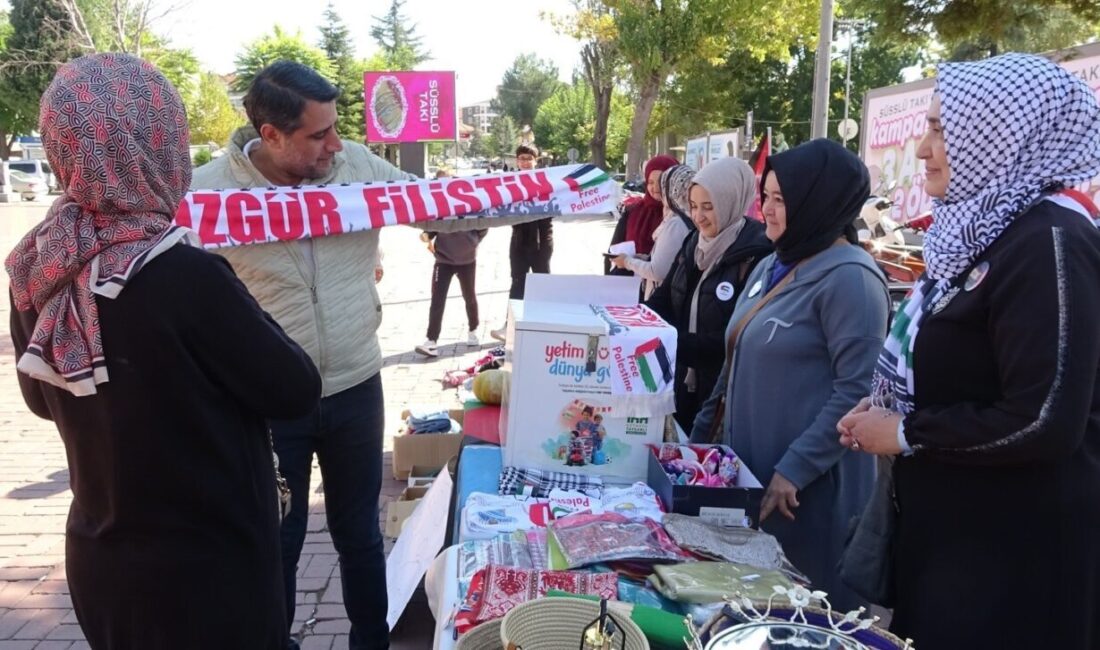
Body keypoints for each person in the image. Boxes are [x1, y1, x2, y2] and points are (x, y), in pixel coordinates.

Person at [5, 53, 321, 649]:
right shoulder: (183, 272)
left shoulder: (38, 265)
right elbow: (294, 387)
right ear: (158, 143)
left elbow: (44, 401)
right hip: (208, 575)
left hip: (104, 565)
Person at [837, 53, 1100, 649]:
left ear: (1004, 137)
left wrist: (906, 432)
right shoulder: (987, 231)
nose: (924, 149)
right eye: (925, 127)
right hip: (959, 546)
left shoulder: (1050, 242)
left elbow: (1044, 419)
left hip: (1015, 568)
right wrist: (885, 411)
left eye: (941, 130)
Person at [192, 60, 413, 650]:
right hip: (268, 404)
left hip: (356, 386)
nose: (335, 144)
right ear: (271, 135)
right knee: (277, 543)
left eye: (335, 128)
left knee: (361, 537)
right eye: (318, 134)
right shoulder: (208, 191)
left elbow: (443, 204)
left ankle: (373, 641)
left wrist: (554, 190)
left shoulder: (358, 167)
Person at [691, 139, 889, 610]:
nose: (769, 210)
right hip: (756, 480)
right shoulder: (772, 265)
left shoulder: (852, 280)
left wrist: (792, 471)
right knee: (756, 611)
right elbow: (734, 354)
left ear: (818, 202)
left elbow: (858, 391)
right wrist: (698, 439)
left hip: (809, 494)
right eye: (767, 196)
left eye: (782, 200)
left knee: (809, 612)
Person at [646, 158, 773, 432]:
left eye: (708, 207)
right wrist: (637, 322)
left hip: (721, 391)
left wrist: (673, 344)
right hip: (681, 378)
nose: (698, 216)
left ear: (731, 202)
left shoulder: (757, 255)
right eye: (693, 206)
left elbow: (736, 336)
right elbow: (667, 295)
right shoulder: (694, 241)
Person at [416, 169, 487, 357]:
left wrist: (473, 241)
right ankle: (431, 340)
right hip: (443, 259)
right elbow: (431, 228)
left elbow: (483, 225)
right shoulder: (435, 205)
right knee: (437, 299)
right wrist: (426, 236)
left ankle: (473, 330)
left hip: (467, 259)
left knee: (469, 296)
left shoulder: (467, 202)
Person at [491, 144, 549, 341]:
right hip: (518, 240)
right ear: (517, 161)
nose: (525, 162)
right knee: (517, 282)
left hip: (541, 240)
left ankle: (545, 324)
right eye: (522, 158)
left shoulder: (546, 181)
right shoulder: (509, 182)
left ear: (536, 160)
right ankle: (509, 326)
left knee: (542, 282)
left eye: (529, 158)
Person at [611, 164, 696, 299]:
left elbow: (657, 271)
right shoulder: (689, 217)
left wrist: (627, 262)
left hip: (662, 296)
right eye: (650, 182)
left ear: (671, 190)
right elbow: (669, 261)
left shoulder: (676, 223)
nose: (657, 189)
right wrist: (643, 259)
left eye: (662, 186)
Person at [605, 155, 678, 276]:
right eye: (650, 182)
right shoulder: (632, 212)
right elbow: (613, 251)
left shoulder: (681, 216)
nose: (655, 188)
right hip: (628, 285)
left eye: (661, 181)